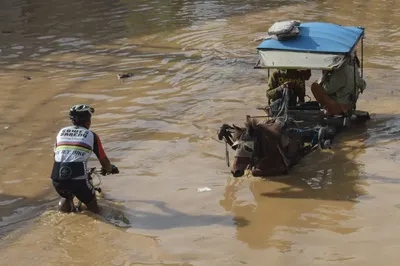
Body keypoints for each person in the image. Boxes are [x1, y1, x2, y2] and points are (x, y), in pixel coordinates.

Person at [50, 104, 119, 214]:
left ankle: (61, 213)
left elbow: (56, 155)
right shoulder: (92, 135)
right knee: (94, 208)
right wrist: (110, 169)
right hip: (78, 178)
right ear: (88, 121)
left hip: (56, 176)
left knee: (66, 196)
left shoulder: (61, 132)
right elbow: (103, 159)